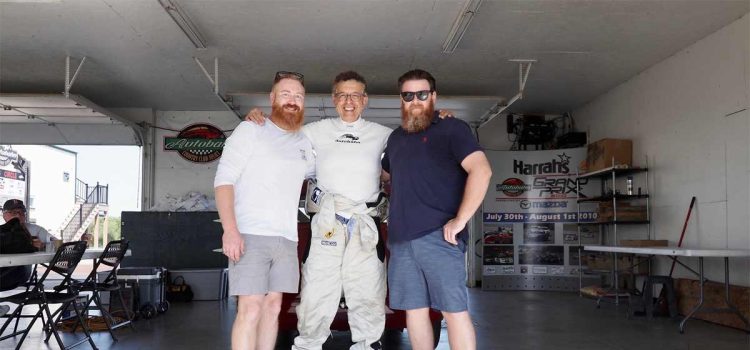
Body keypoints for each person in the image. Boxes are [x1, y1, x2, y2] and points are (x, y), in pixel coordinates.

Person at [247, 71, 391, 350]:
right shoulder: (315, 130)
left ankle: (368, 344)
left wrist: (440, 118)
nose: (349, 101)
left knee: (369, 292)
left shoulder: (383, 135)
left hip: (365, 226)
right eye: (342, 95)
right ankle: (308, 344)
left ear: (365, 99)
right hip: (326, 223)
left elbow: (418, 138)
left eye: (355, 95)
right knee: (316, 291)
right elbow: (279, 133)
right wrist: (258, 119)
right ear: (334, 99)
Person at [381, 69, 492, 350]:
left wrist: (460, 220)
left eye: (421, 94)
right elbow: (385, 176)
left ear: (433, 96)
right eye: (408, 95)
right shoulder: (394, 139)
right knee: (414, 311)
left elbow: (481, 171)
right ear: (401, 99)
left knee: (453, 311)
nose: (415, 100)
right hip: (401, 241)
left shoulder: (451, 128)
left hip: (439, 237)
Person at [214, 71, 315, 350]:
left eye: (298, 96)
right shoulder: (251, 130)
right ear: (272, 98)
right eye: (285, 94)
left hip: (287, 238)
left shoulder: (304, 142)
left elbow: (325, 173)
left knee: (273, 309)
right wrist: (230, 231)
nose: (292, 100)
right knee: (251, 308)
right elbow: (223, 181)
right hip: (250, 234)